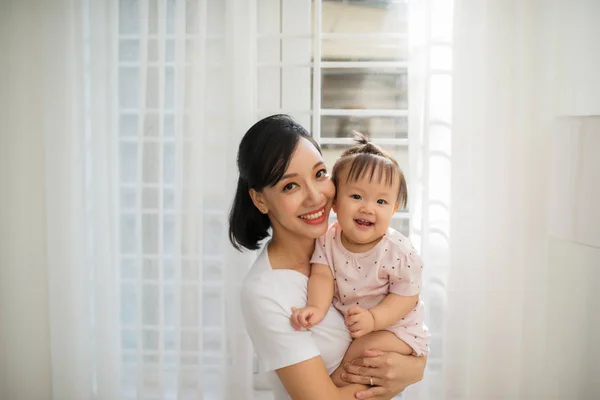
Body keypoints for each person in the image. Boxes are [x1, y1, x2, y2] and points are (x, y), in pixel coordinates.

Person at [229, 115, 427, 400]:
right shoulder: (264, 292)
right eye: (290, 186)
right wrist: (407, 374)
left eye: (320, 174)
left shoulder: (350, 243)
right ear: (260, 200)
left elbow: (408, 306)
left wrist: (415, 365)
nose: (315, 196)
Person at [289, 133, 430, 387]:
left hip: (396, 330)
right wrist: (316, 308)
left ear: (393, 209)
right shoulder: (327, 239)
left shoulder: (399, 252)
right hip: (360, 325)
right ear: (335, 203)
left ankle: (329, 388)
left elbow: (406, 297)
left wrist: (375, 319)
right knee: (361, 354)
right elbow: (322, 276)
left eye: (381, 201)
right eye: (356, 197)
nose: (368, 208)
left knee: (362, 352)